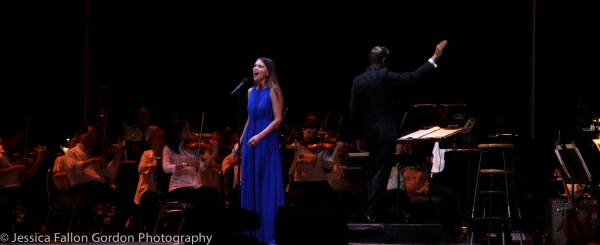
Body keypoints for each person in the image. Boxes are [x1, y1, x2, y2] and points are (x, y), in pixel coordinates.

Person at [349, 40, 448, 222]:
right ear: (384, 60)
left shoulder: (358, 80)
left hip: (370, 134)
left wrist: (358, 136)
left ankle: (373, 213)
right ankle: (371, 215)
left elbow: (353, 111)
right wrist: (434, 57)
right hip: (386, 132)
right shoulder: (385, 75)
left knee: (376, 173)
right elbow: (413, 77)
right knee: (381, 173)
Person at [232, 57, 285, 244]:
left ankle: (268, 233)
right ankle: (250, 233)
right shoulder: (249, 91)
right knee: (250, 184)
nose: (255, 68)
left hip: (266, 141)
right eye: (254, 65)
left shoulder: (274, 91)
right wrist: (239, 142)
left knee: (266, 186)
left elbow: (277, 119)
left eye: (260, 66)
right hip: (250, 140)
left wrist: (261, 135)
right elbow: (249, 119)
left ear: (268, 71)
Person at [64, 123, 132, 236]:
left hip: (98, 187)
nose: (92, 139)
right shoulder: (72, 152)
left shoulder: (97, 152)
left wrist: (117, 157)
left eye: (95, 137)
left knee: (126, 200)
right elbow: (72, 166)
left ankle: (110, 233)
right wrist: (92, 161)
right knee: (83, 204)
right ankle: (88, 233)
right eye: (89, 135)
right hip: (81, 188)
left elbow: (108, 172)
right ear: (82, 134)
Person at [162, 118, 221, 208]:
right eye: (186, 130)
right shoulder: (168, 148)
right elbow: (166, 168)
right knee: (202, 201)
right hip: (178, 186)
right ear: (177, 132)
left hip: (195, 184)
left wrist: (214, 152)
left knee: (216, 201)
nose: (189, 132)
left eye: (189, 129)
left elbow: (202, 167)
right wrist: (187, 164)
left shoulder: (191, 148)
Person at [0, 124, 47, 234]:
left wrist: (40, 158)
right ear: (6, 138)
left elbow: (29, 175)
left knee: (38, 200)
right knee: (7, 205)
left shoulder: (16, 155)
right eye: (15, 138)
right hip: (2, 190)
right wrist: (15, 167)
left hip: (15, 190)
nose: (18, 141)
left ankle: (24, 229)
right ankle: (5, 233)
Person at [287, 117, 343, 206]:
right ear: (303, 130)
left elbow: (328, 165)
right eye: (309, 132)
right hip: (301, 184)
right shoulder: (296, 145)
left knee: (330, 196)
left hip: (320, 184)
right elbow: (289, 162)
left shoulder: (320, 147)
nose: (311, 136)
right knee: (298, 199)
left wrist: (336, 151)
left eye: (313, 133)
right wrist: (305, 160)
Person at [133, 127, 165, 232]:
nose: (160, 146)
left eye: (162, 144)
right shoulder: (147, 154)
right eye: (158, 143)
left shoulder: (167, 156)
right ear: (152, 143)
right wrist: (156, 164)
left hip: (162, 191)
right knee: (149, 201)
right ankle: (151, 230)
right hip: (148, 190)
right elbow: (141, 168)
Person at [52, 132, 80, 213]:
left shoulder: (81, 160)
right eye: (74, 141)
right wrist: (71, 173)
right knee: (70, 207)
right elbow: (56, 175)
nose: (76, 144)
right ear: (69, 142)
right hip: (63, 192)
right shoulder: (60, 159)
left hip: (77, 191)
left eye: (78, 142)